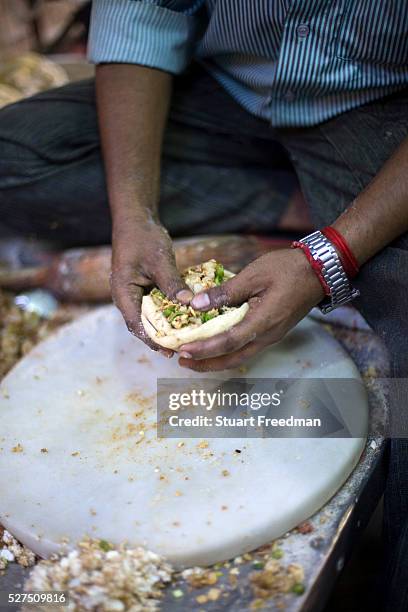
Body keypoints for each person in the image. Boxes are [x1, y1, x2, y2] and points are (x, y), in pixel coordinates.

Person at [0, 2, 407, 609]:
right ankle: (296, 201)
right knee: (15, 160)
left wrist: (332, 255)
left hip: (379, 116)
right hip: (226, 94)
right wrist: (133, 214)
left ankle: (331, 209)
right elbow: (140, 21)